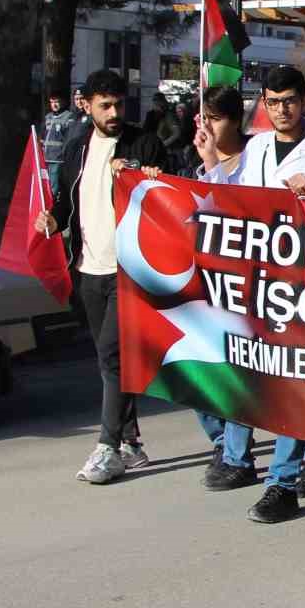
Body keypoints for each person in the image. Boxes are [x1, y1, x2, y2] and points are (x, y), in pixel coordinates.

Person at [202, 65, 305, 523]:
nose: (281, 110)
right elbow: (228, 204)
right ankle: (304, 456)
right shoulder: (258, 147)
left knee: (288, 382)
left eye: (288, 101)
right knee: (248, 371)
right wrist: (211, 162)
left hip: (301, 286)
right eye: (272, 101)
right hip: (256, 281)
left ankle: (281, 483)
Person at [36, 69, 170, 484]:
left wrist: (136, 173)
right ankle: (131, 441)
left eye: (119, 104)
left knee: (112, 356)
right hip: (88, 269)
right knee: (109, 359)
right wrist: (53, 220)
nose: (114, 113)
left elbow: (166, 195)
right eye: (105, 105)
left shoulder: (143, 143)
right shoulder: (77, 148)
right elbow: (67, 201)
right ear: (86, 104)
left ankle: (108, 447)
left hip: (128, 271)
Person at [191, 87, 264, 492]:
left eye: (215, 118)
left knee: (241, 367)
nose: (208, 126)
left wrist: (214, 164)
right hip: (211, 278)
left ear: (234, 120)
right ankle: (221, 441)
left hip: (251, 281)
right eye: (203, 118)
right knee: (200, 365)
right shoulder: (199, 159)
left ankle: (237, 456)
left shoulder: (257, 157)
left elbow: (238, 207)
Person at [43, 91, 80, 185]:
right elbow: (43, 136)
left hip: (57, 158)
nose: (54, 105)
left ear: (62, 102)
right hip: (45, 158)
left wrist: (64, 154)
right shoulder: (48, 117)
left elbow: (69, 138)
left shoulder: (68, 116)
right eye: (52, 102)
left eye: (56, 102)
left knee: (53, 186)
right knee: (45, 184)